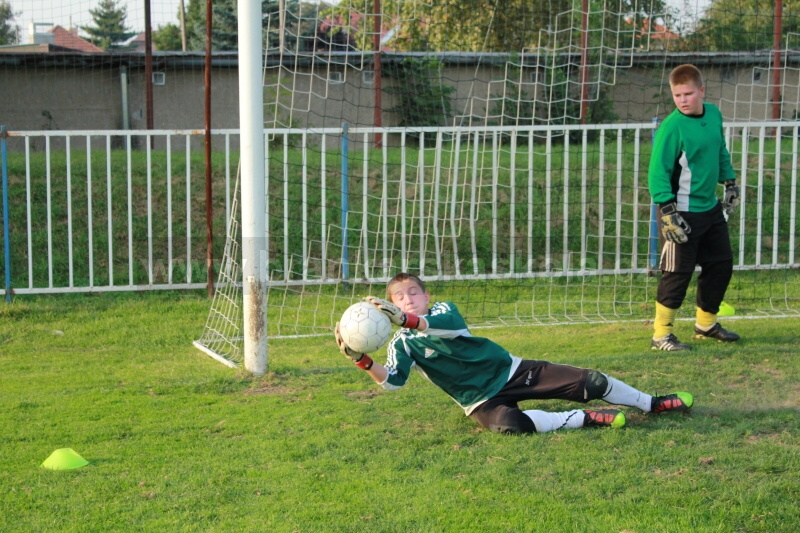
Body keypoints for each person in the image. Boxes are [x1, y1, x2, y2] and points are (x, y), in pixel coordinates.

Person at [334, 272, 693, 435]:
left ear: (426, 297)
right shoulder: (402, 342)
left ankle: (651, 402)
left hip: (513, 371)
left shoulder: (444, 311)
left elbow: (441, 326)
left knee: (593, 381)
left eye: (413, 292)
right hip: (479, 401)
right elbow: (393, 382)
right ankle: (585, 419)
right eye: (399, 297)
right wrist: (360, 359)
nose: (407, 298)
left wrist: (408, 319)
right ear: (389, 306)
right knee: (511, 426)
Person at [648, 64, 741, 351]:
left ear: (702, 91)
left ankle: (706, 323)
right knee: (677, 273)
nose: (683, 100)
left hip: (710, 209)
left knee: (721, 265)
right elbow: (657, 170)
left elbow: (720, 150)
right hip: (681, 212)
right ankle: (661, 335)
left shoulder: (713, 114)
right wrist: (667, 209)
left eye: (688, 93)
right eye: (677, 95)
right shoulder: (672, 126)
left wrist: (730, 182)